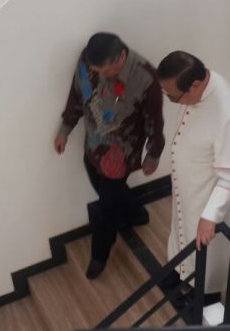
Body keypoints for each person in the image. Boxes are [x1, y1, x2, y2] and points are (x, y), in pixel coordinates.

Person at [54, 32, 165, 279]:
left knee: (106, 208)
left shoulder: (146, 78)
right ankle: (137, 213)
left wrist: (153, 155)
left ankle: (100, 255)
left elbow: (154, 122)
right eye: (97, 71)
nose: (101, 76)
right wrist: (65, 129)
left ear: (122, 57)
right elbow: (77, 94)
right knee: (103, 188)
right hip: (93, 145)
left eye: (107, 72)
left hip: (120, 154)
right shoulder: (88, 59)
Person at [156, 50, 230, 307]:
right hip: (189, 187)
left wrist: (210, 216)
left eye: (173, 97)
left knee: (206, 252)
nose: (172, 101)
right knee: (181, 234)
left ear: (195, 85)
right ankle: (180, 274)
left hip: (207, 197)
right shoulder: (199, 84)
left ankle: (206, 294)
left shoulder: (228, 115)